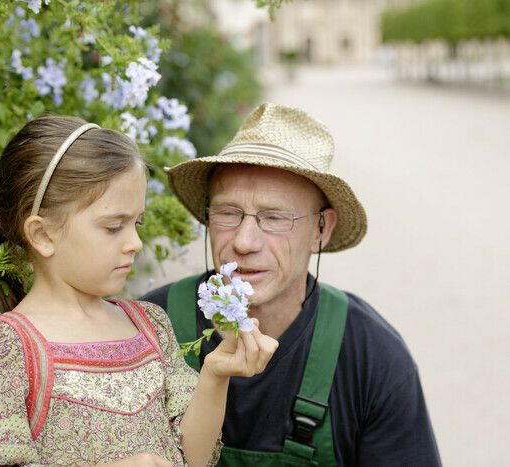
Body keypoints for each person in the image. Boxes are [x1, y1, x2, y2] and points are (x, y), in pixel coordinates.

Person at [0, 116, 278, 466]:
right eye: (113, 226)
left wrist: (215, 373)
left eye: (137, 223)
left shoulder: (150, 325)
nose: (135, 243)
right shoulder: (10, 348)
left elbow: (192, 459)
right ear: (43, 235)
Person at [142, 103, 442, 466]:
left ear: (321, 230)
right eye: (228, 212)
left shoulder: (372, 355)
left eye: (274, 217)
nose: (244, 241)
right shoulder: (147, 329)